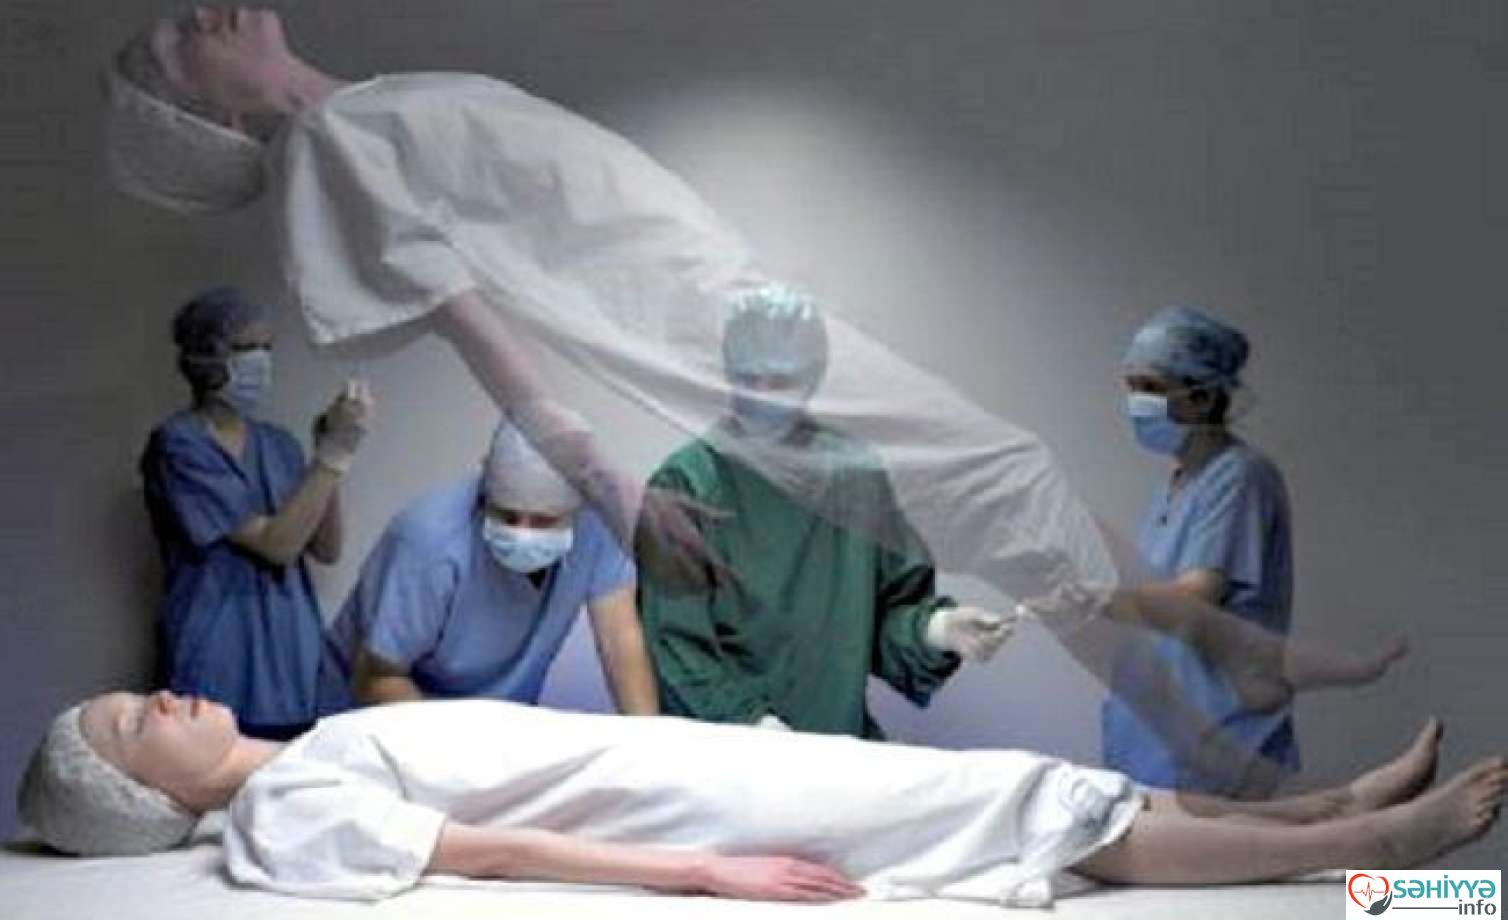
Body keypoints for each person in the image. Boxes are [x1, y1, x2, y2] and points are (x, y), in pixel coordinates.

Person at [104, 8, 1405, 767]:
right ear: (202, 119)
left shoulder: (363, 110)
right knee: (1001, 476)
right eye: (171, 43)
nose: (194, 14)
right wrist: (616, 494)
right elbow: (479, 327)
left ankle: (1232, 693)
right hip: (694, 326)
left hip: (719, 293)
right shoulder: (334, 147)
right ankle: (1231, 732)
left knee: (1002, 486)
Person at [17, 690, 1505, 908]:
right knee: (992, 805)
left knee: (983, 778)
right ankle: (1385, 853)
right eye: (137, 721)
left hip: (687, 761)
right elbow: (488, 847)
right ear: (138, 793)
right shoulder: (280, 814)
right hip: (688, 812)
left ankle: (1318, 811)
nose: (167, 696)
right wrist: (708, 876)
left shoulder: (305, 747)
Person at [641, 285, 1013, 737]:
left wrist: (938, 629)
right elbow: (675, 644)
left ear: (813, 376)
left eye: (780, 381)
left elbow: (882, 616)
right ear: (728, 373)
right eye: (748, 379)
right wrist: (749, 725)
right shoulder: (687, 484)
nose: (762, 394)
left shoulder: (853, 476)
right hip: (731, 757)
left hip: (838, 745)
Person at [1100, 306, 1406, 797]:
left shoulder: (1240, 477)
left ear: (1203, 396)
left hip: (1218, 738)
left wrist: (1095, 599)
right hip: (1152, 739)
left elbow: (1193, 598)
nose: (1136, 403)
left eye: (1151, 388)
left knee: (1268, 838)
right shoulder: (1176, 485)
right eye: (1130, 386)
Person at [140, 285, 373, 739]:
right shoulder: (180, 444)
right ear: (206, 356)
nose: (262, 360)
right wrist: (332, 458)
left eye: (268, 348)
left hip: (291, 656)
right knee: (214, 768)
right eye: (248, 347)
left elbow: (326, 549)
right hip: (218, 655)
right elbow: (277, 545)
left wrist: (327, 451)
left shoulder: (279, 444)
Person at [325, 417, 657, 714]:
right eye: (507, 516)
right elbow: (377, 677)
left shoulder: (597, 524)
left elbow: (620, 640)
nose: (523, 534)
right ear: (486, 486)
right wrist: (454, 753)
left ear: (579, 507)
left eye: (543, 521)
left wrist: (650, 745)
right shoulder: (429, 540)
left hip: (492, 728)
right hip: (373, 716)